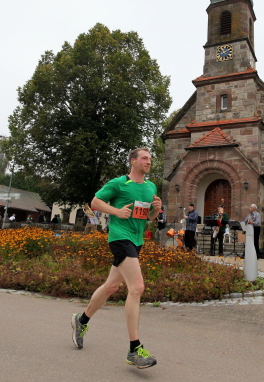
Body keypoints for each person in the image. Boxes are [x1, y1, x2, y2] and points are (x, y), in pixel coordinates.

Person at [71, 148, 160, 369]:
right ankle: (134, 350)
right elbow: (95, 202)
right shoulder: (119, 183)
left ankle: (81, 320)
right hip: (120, 238)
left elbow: (147, 217)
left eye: (150, 159)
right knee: (137, 288)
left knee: (111, 286)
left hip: (137, 240)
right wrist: (116, 211)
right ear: (133, 161)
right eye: (144, 158)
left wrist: (156, 211)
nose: (149, 161)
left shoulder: (151, 187)